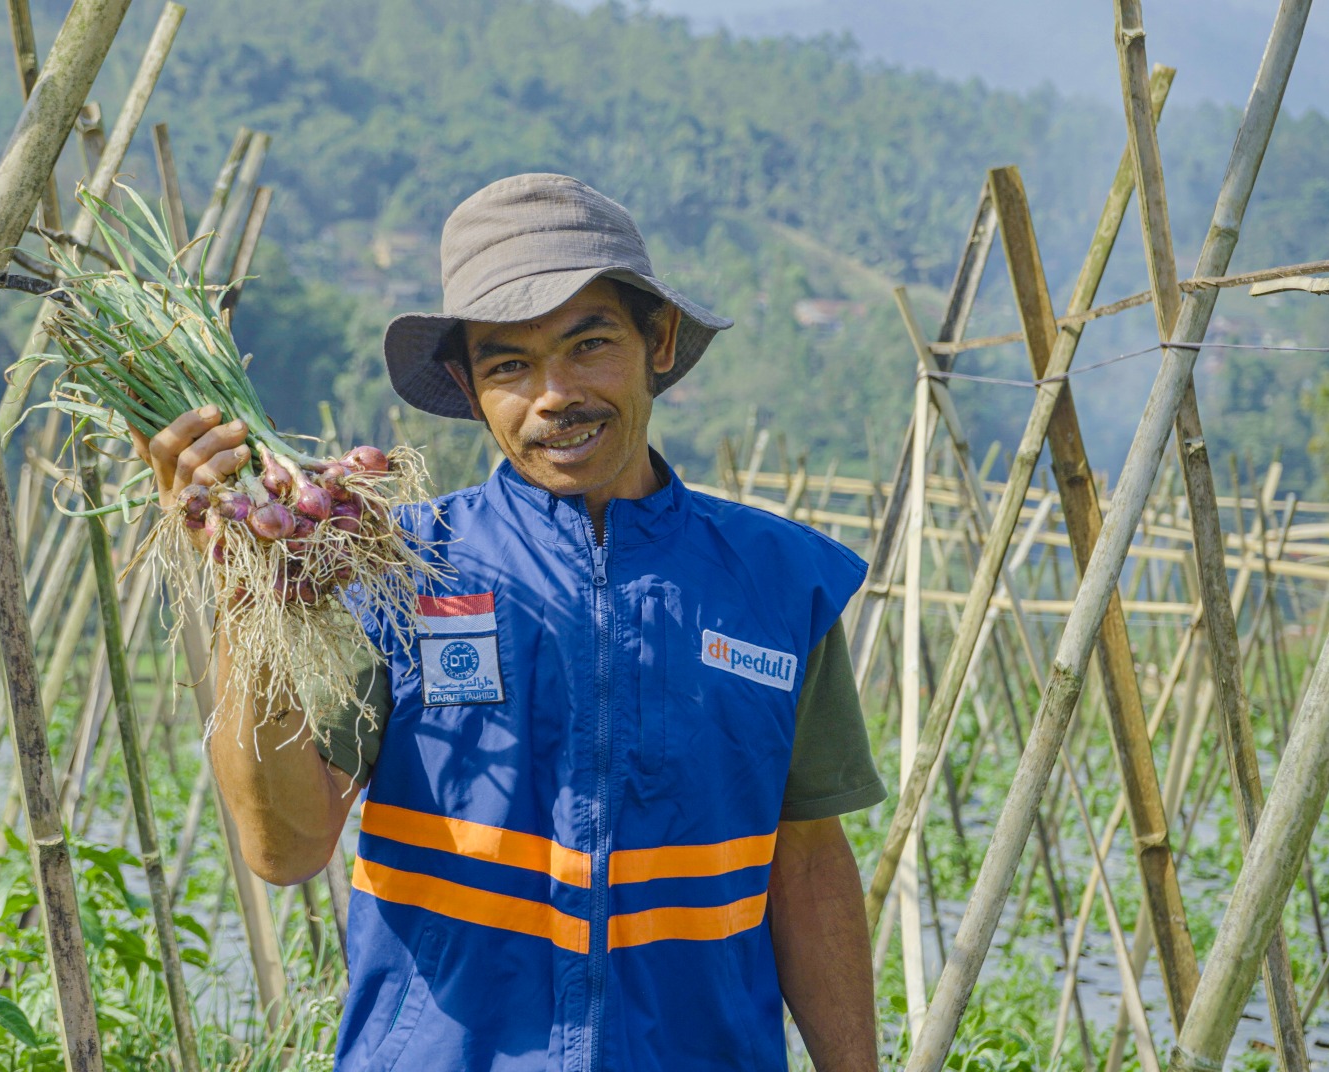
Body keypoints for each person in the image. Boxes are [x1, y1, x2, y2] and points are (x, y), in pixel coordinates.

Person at [137, 173, 885, 1070]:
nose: (554, 395)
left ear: (659, 340)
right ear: (468, 385)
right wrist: (246, 586)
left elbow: (806, 864)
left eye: (589, 344)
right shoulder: (393, 567)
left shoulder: (775, 584)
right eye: (509, 366)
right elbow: (285, 847)